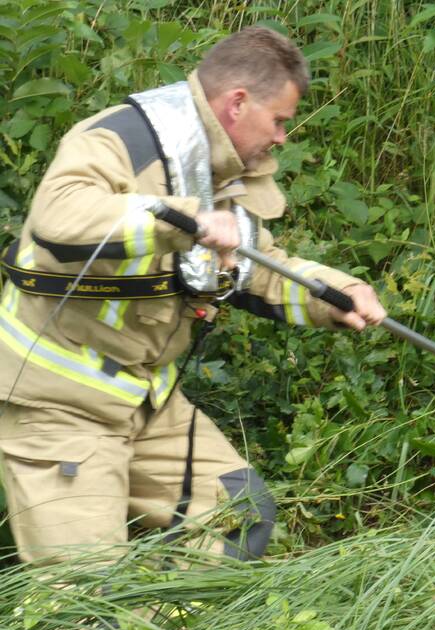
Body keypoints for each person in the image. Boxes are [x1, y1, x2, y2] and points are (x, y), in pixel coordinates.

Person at [0, 27, 387, 565]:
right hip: (59, 407)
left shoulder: (223, 169)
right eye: (278, 121)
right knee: (86, 598)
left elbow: (256, 268)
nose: (281, 138)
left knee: (241, 515)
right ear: (237, 103)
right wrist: (183, 220)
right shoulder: (119, 139)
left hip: (147, 403)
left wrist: (339, 293)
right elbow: (58, 219)